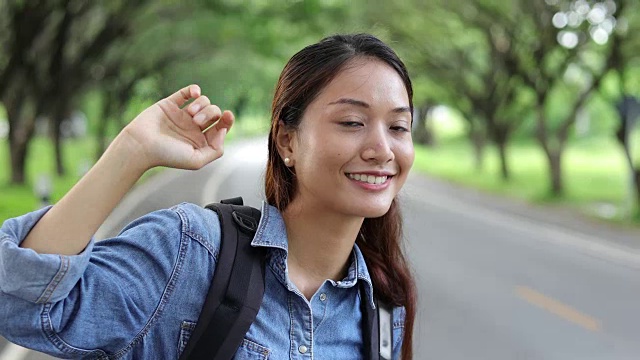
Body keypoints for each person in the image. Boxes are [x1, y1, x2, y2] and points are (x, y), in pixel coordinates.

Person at [0, 33, 416, 359]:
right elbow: (20, 304)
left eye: (398, 127)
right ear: (287, 141)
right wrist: (131, 152)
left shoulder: (381, 312)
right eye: (351, 122)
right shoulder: (192, 253)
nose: (382, 149)